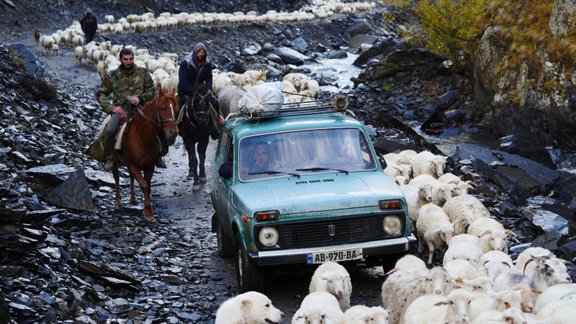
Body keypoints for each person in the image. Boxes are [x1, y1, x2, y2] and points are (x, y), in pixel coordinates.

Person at [96, 48, 156, 171]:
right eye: (125, 59)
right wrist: (111, 108)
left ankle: (158, 155)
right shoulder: (113, 75)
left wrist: (140, 98)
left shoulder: (143, 73)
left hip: (141, 108)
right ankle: (110, 158)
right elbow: (100, 93)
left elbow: (152, 91)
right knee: (110, 130)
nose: (128, 62)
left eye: (130, 59)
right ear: (120, 59)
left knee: (158, 127)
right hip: (121, 110)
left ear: (133, 59)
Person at [177, 42, 224, 135]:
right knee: (179, 105)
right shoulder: (185, 64)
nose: (201, 54)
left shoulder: (207, 64)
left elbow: (209, 77)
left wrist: (209, 88)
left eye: (203, 52)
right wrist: (192, 91)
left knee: (214, 102)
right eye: (199, 52)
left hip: (201, 90)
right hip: (186, 91)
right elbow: (183, 80)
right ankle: (178, 126)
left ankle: (217, 123)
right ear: (195, 52)